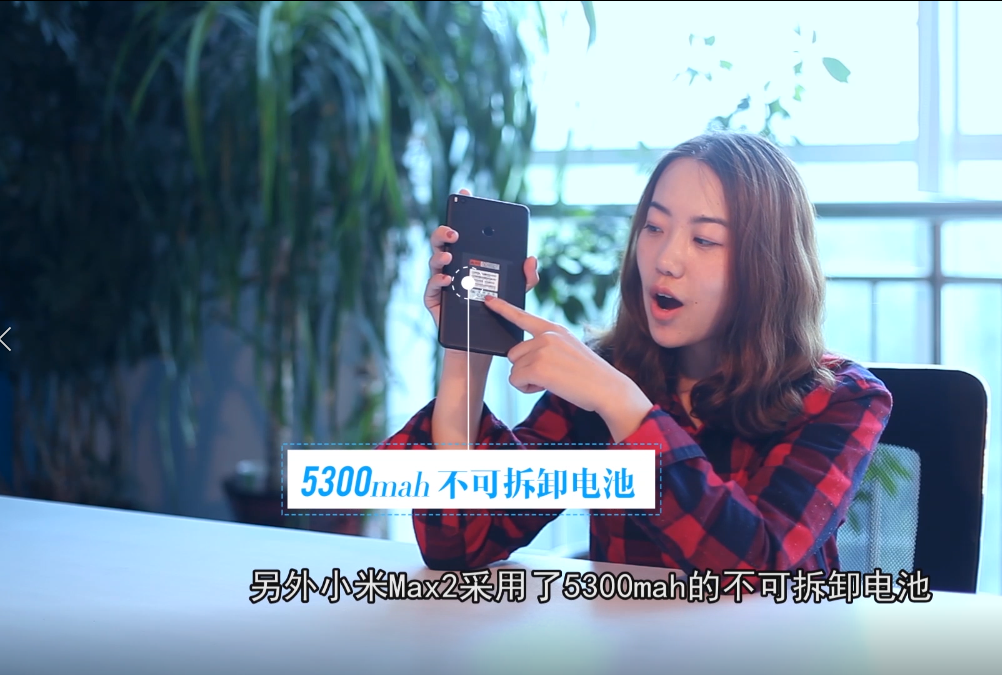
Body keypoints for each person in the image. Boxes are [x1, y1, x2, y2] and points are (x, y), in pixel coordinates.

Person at [379, 131, 893, 577]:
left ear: (769, 264)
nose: (666, 259)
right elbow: (461, 541)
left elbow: (755, 569)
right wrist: (467, 350)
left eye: (704, 240)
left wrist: (621, 405)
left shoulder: (843, 399)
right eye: (654, 227)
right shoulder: (612, 372)